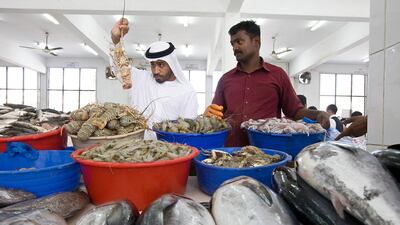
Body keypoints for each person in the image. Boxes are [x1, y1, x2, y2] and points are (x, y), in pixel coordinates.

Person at [204, 20, 330, 147]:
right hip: (231, 151)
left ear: (256, 42)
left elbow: (295, 111)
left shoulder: (277, 75)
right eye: (232, 44)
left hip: (267, 152)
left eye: (239, 42)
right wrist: (206, 116)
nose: (235, 48)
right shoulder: (226, 79)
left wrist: (318, 114)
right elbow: (215, 116)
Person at [111, 18, 198, 139]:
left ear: (171, 63)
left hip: (171, 151)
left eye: (161, 64)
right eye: (152, 64)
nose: (156, 70)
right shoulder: (142, 79)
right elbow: (120, 69)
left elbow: (189, 130)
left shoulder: (187, 91)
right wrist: (116, 41)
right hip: (138, 148)